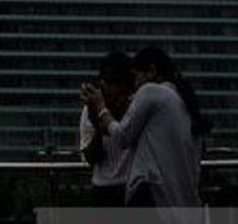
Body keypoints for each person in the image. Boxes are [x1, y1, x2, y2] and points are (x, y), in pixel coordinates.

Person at [82, 47, 210, 220]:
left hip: (149, 191)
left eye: (136, 77)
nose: (135, 85)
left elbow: (122, 137)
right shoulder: (182, 100)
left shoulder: (150, 92)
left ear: (151, 71)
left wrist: (102, 109)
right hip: (177, 197)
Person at [78, 52, 135, 207]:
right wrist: (99, 127)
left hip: (133, 185)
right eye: (107, 82)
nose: (110, 89)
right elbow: (90, 157)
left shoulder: (137, 105)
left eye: (115, 83)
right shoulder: (91, 109)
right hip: (103, 188)